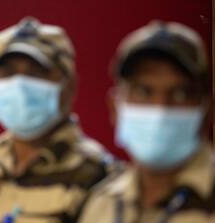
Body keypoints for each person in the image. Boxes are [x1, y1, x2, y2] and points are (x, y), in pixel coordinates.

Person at [0, 17, 115, 223]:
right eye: (8, 72)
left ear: (69, 86)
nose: (19, 85)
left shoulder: (98, 178)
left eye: (36, 72)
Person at [78, 21, 214, 223]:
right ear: (115, 108)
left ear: (207, 111)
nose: (161, 107)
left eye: (180, 94)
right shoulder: (101, 203)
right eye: (143, 91)